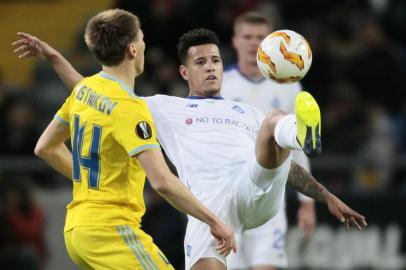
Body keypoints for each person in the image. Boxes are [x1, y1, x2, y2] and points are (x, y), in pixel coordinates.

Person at [13, 28, 367, 270]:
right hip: (210, 209)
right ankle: (294, 130)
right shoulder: (163, 107)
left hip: (254, 187)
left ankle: (301, 132)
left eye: (215, 61)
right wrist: (55, 57)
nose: (211, 67)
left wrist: (326, 197)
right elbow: (95, 95)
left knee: (273, 121)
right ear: (184, 72)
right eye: (201, 62)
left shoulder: (245, 111)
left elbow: (284, 167)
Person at [12, 10, 237, 270]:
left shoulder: (86, 90)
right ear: (132, 49)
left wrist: (53, 57)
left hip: (77, 230)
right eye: (141, 38)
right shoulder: (130, 108)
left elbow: (46, 148)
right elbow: (162, 181)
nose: (144, 44)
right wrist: (215, 222)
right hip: (111, 229)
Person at [221, 11, 315, 270]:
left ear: (270, 43)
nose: (253, 43)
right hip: (227, 201)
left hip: (270, 200)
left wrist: (307, 203)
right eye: (247, 36)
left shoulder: (288, 86)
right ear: (235, 41)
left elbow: (299, 145)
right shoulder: (219, 83)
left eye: (260, 37)